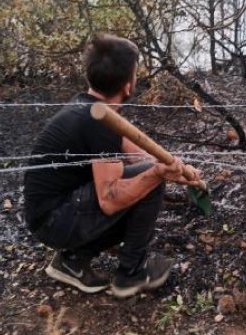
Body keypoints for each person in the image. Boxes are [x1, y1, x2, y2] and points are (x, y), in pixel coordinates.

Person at [23, 34, 202, 298]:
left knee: (144, 178)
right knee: (147, 184)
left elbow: (138, 153)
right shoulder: (98, 120)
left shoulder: (89, 107)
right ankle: (130, 275)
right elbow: (109, 199)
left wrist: (178, 170)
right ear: (128, 85)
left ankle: (72, 261)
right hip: (53, 221)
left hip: (49, 214)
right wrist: (157, 174)